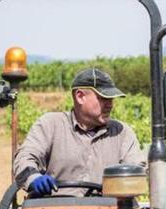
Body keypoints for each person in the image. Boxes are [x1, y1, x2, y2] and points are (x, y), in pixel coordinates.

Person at [12, 68, 146, 197]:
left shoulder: (122, 133)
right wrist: (34, 178)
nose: (110, 104)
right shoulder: (50, 125)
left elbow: (136, 171)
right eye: (103, 98)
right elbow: (25, 157)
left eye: (111, 99)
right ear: (80, 96)